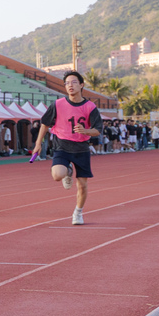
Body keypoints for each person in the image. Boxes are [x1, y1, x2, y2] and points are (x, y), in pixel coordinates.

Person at [31, 70, 103, 226]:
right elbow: (45, 123)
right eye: (67, 83)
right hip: (62, 146)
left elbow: (98, 130)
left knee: (82, 185)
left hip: (81, 148)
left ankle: (78, 212)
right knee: (57, 175)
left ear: (81, 85)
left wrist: (86, 131)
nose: (70, 86)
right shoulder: (58, 104)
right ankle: (68, 171)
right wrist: (38, 144)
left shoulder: (90, 107)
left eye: (74, 82)